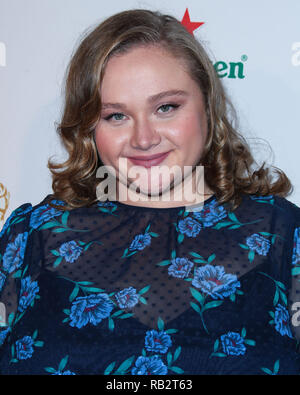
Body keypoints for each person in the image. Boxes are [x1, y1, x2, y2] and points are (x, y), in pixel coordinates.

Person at [0, 8, 300, 375]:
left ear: (207, 105)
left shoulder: (280, 232)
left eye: (166, 108)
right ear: (89, 127)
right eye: (116, 115)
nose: (143, 139)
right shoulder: (33, 235)